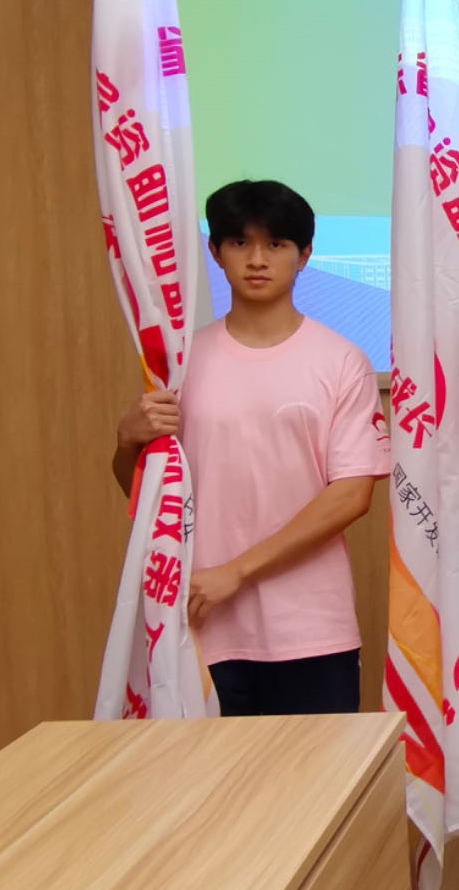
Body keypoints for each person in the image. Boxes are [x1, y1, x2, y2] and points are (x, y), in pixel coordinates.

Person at [110, 179, 388, 718]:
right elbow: (146, 497)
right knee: (209, 774)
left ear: (305, 254)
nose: (257, 260)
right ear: (215, 252)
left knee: (317, 773)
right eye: (239, 243)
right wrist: (127, 443)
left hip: (310, 629)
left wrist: (236, 572)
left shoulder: (341, 361)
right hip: (199, 622)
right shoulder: (182, 364)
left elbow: (352, 495)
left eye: (276, 244)